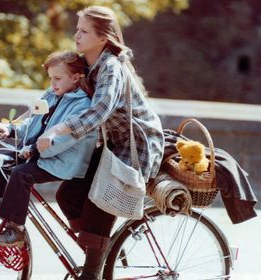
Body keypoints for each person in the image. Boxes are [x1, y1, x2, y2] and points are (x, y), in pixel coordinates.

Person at [36, 6, 165, 280]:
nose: (77, 35)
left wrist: (59, 129)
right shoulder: (85, 65)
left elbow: (100, 111)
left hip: (135, 146)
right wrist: (19, 124)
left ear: (103, 38)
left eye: (84, 31)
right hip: (109, 144)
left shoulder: (111, 67)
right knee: (68, 196)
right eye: (77, 29)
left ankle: (93, 271)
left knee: (98, 205)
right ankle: (101, 251)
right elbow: (53, 93)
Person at [0, 50, 97, 248]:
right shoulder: (52, 94)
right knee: (0, 158)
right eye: (51, 78)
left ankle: (15, 229)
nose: (53, 84)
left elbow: (61, 141)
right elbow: (33, 123)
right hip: (40, 153)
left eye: (58, 78)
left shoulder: (83, 104)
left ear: (76, 77)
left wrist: (33, 150)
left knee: (21, 174)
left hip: (63, 160)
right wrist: (10, 129)